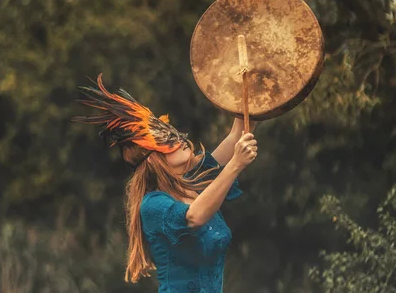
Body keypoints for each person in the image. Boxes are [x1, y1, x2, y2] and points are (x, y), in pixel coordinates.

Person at [72, 74, 258, 293]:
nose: (180, 140)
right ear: (153, 158)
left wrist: (251, 85)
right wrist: (235, 164)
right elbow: (194, 216)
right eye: (168, 141)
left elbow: (238, 133)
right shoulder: (152, 205)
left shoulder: (194, 180)